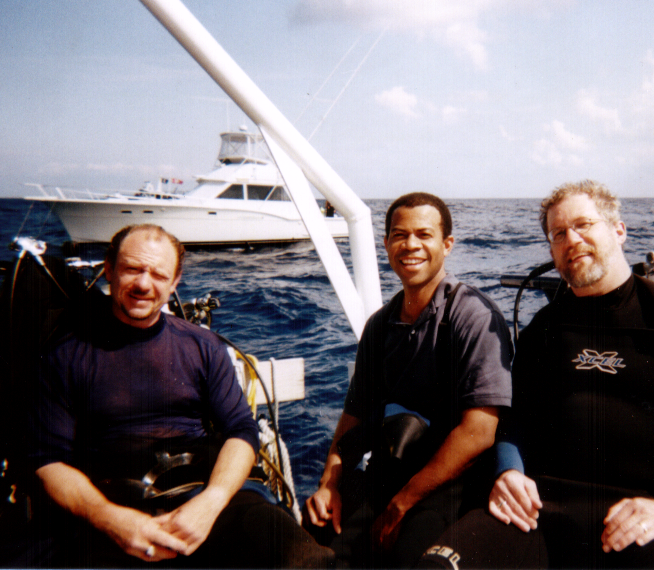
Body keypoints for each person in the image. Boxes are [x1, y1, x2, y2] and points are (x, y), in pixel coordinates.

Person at [419, 181, 654, 569]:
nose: (572, 240)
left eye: (583, 225)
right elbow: (515, 421)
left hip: (639, 520)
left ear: (619, 230)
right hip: (537, 510)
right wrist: (509, 472)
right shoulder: (544, 329)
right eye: (558, 234)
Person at [27, 224, 332, 568]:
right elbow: (48, 460)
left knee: (302, 558)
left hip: (206, 493)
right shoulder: (65, 357)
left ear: (174, 282)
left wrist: (212, 500)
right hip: (111, 506)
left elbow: (241, 430)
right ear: (108, 269)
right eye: (132, 269)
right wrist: (110, 520)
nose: (144, 284)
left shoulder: (203, 347)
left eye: (159, 275)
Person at [305, 192, 513, 568]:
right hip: (389, 473)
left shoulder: (474, 317)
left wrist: (401, 505)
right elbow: (354, 415)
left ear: (447, 244)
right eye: (400, 235)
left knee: (411, 558)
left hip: (453, 485)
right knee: (314, 546)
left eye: (424, 234)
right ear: (386, 244)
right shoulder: (379, 326)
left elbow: (480, 432)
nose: (410, 245)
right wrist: (329, 483)